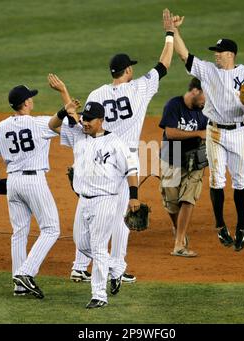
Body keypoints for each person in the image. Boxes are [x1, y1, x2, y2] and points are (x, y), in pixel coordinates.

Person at [67, 8, 175, 283]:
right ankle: (117, 268)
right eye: (131, 67)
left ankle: (80, 265)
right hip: (124, 158)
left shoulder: (97, 94)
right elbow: (163, 65)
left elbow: (84, 125)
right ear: (128, 70)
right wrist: (170, 34)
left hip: (96, 155)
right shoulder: (138, 88)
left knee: (88, 207)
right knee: (124, 214)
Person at [171, 12, 244, 251]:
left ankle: (242, 226)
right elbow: (183, 54)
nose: (215, 55)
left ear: (230, 54)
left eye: (219, 52)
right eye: (215, 52)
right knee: (217, 179)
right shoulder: (207, 71)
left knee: (240, 181)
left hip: (238, 133)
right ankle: (220, 225)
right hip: (214, 132)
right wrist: (174, 31)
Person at [48, 101, 140, 309]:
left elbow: (131, 170)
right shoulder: (79, 135)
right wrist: (63, 110)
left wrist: (134, 197)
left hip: (105, 200)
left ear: (101, 120)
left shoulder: (115, 142)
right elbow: (52, 126)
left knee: (98, 247)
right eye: (83, 118)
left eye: (89, 120)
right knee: (81, 243)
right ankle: (114, 270)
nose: (85, 122)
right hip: (83, 201)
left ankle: (99, 295)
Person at [0, 85, 62, 298]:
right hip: (33, 181)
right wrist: (66, 106)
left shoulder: (1, 126)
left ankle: (19, 286)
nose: (32, 100)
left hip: (13, 183)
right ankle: (26, 273)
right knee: (51, 228)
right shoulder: (37, 123)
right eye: (31, 98)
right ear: (26, 103)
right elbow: (58, 122)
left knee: (19, 232)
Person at [159, 77, 207, 257]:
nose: (206, 101)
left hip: (195, 161)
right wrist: (198, 133)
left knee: (188, 199)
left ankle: (179, 243)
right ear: (195, 91)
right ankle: (177, 227)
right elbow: (170, 133)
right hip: (172, 157)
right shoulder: (174, 105)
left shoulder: (205, 110)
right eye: (205, 96)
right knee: (172, 204)